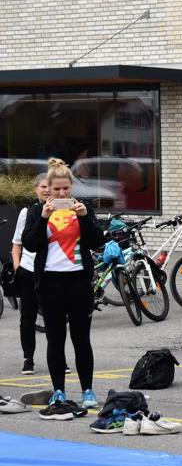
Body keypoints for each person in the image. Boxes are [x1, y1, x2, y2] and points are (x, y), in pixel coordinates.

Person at [20, 158, 104, 419]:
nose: (61, 194)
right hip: (50, 283)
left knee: (82, 339)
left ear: (71, 187)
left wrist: (84, 218)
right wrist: (44, 219)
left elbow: (95, 241)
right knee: (55, 339)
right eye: (55, 190)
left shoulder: (84, 207)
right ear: (48, 189)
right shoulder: (36, 211)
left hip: (78, 281)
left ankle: (87, 390)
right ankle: (59, 391)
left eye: (65, 189)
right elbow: (30, 245)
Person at [10, 173, 48, 375]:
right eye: (43, 186)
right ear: (36, 189)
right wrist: (18, 268)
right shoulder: (28, 212)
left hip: (50, 272)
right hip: (28, 271)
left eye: (49, 186)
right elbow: (17, 243)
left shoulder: (61, 212)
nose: (47, 190)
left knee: (54, 318)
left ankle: (59, 358)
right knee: (28, 318)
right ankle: (28, 358)